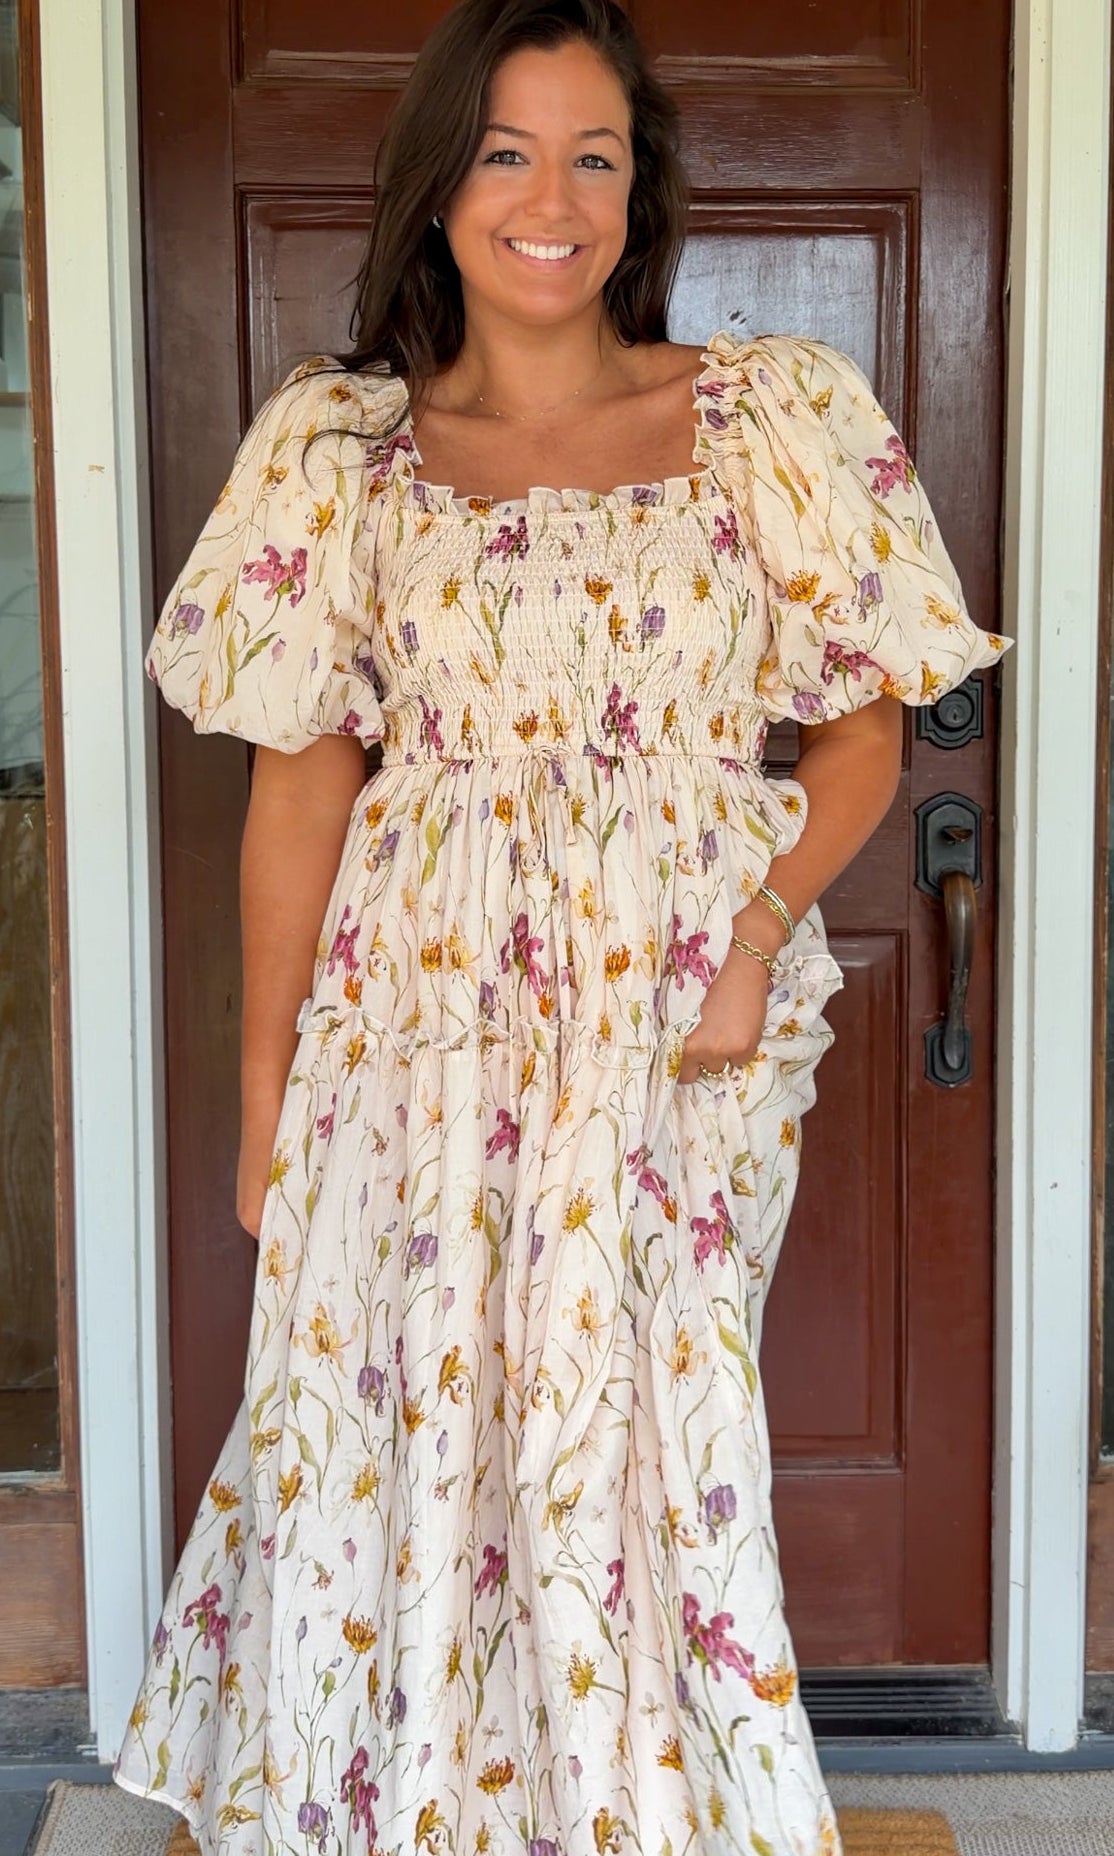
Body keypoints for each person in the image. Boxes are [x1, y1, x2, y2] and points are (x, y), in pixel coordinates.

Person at [113, 1, 1010, 1851]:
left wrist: (757, 933)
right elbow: (302, 783)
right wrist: (266, 1096)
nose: (551, 198)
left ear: (639, 191)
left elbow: (859, 736)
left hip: (674, 1013)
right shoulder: (340, 451)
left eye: (593, 155)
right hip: (409, 1018)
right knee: (395, 1421)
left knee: (640, 1432)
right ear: (438, 185)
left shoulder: (760, 418)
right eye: (508, 152)